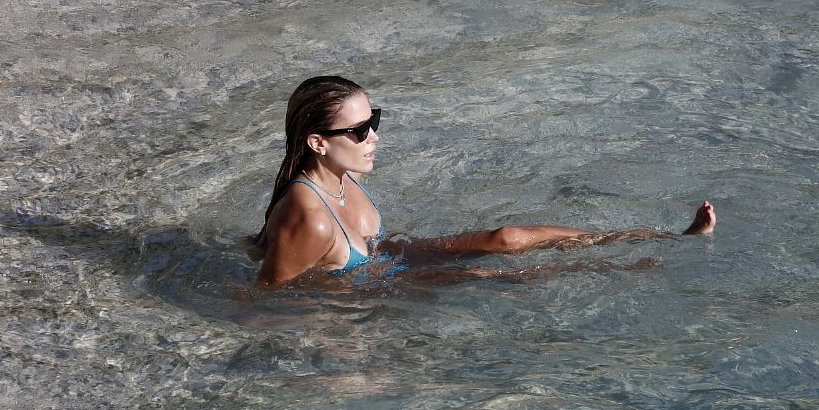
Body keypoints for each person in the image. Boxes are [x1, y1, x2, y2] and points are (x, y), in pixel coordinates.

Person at [255, 76, 716, 285]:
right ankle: (625, 270)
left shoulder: (344, 173)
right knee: (494, 275)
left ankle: (667, 237)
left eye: (373, 120)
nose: (373, 136)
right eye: (359, 130)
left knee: (506, 236)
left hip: (388, 257)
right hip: (363, 289)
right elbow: (270, 299)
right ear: (317, 143)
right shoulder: (310, 218)